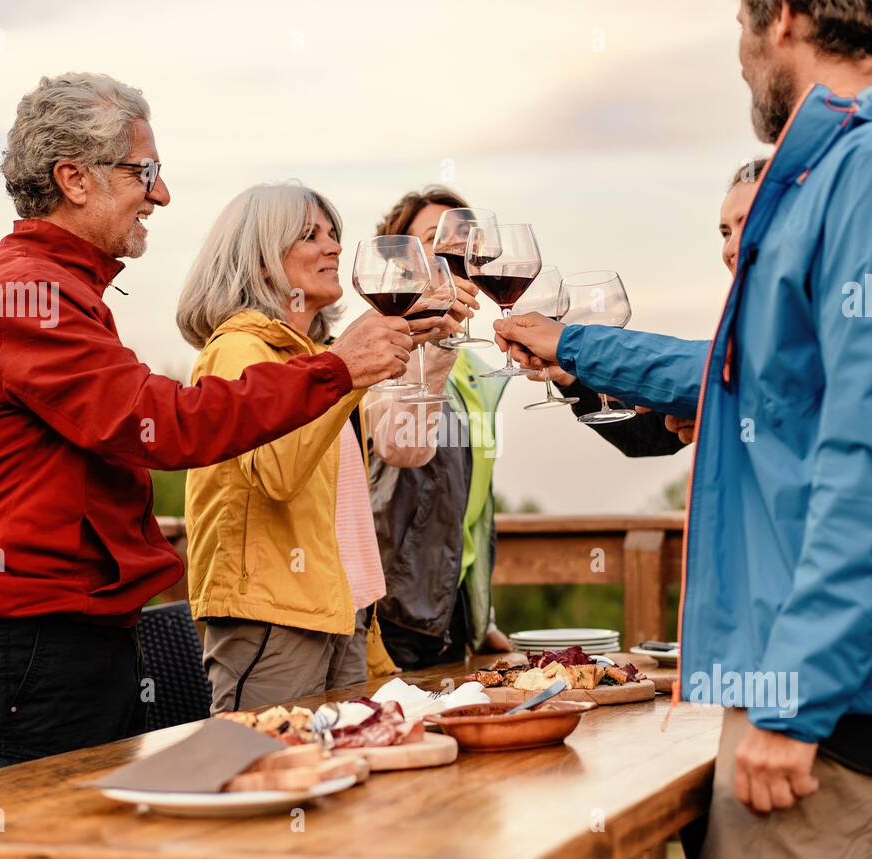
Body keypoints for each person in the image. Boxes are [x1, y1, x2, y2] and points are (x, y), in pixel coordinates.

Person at [495, 0, 872, 859]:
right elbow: (753, 382)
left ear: (783, 18)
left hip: (831, 734)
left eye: (740, 24)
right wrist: (579, 349)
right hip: (818, 713)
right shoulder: (845, 175)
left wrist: (795, 702)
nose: (738, 58)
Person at [0, 74, 411, 776]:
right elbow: (162, 425)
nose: (161, 193)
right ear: (74, 179)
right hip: (30, 636)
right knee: (43, 848)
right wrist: (335, 372)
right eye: (143, 172)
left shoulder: (56, 287)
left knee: (100, 841)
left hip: (63, 631)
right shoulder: (27, 293)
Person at [180, 183, 457, 711]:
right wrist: (346, 373)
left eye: (333, 234)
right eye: (310, 235)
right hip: (275, 621)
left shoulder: (317, 356)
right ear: (260, 259)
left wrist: (429, 346)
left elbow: (394, 459)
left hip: (341, 617)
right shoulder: (242, 348)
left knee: (348, 783)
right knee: (271, 777)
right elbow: (280, 473)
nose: (332, 246)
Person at [365, 187, 514, 670]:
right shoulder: (375, 353)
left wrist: (481, 614)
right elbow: (399, 447)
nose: (453, 251)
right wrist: (423, 346)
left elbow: (472, 503)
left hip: (455, 616)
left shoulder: (468, 364)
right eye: (434, 239)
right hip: (398, 615)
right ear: (401, 259)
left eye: (465, 240)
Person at [537, 159, 769, 453]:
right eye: (726, 233)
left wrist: (569, 345)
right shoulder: (751, 324)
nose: (730, 248)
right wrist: (571, 377)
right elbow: (646, 436)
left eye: (747, 223)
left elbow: (711, 371)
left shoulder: (808, 321)